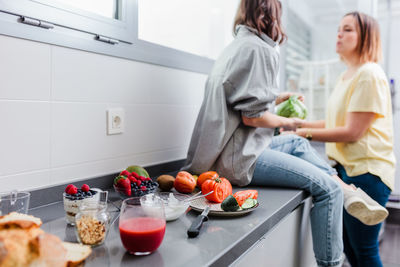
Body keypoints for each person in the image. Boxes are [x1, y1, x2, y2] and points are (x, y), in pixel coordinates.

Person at [182, 1, 344, 266]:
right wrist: (289, 120)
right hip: (240, 159)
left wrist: (279, 98)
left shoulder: (237, 46)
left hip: (230, 152)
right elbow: (252, 116)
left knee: (295, 143)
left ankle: (344, 186)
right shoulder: (259, 49)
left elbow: (243, 97)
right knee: (329, 191)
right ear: (270, 13)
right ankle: (340, 199)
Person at [294, 12, 395, 267]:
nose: (339, 34)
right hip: (347, 169)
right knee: (350, 246)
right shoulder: (347, 76)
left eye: (348, 30)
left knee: (364, 249)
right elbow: (335, 122)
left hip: (367, 173)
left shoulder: (369, 74)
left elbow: (352, 131)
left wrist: (301, 133)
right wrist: (296, 124)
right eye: (339, 29)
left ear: (366, 37)